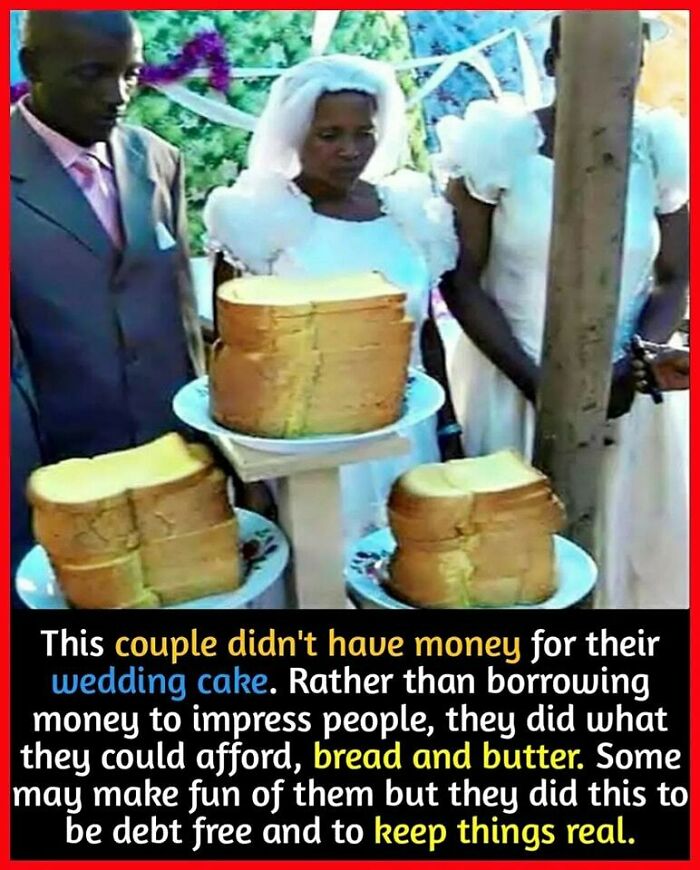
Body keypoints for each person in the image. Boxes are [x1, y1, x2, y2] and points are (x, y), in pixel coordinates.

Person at [435, 15, 689, 608]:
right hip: (511, 377)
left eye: (629, 63)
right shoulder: (500, 147)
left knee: (628, 551)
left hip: (626, 387)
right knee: (512, 556)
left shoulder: (659, 151)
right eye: (582, 59)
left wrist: (630, 368)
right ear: (552, 63)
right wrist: (543, 387)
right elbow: (460, 280)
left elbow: (675, 276)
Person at [204, 54, 461, 546]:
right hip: (309, 449)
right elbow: (232, 352)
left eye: (363, 133)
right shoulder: (257, 221)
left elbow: (424, 330)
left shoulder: (406, 212)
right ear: (295, 134)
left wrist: (449, 429)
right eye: (330, 135)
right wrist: (246, 471)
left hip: (407, 433)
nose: (349, 150)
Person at [11, 11, 205, 467]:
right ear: (33, 66)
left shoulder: (159, 159)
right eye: (92, 74)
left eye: (130, 74)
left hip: (174, 457)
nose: (117, 96)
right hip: (58, 471)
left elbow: (180, 316)